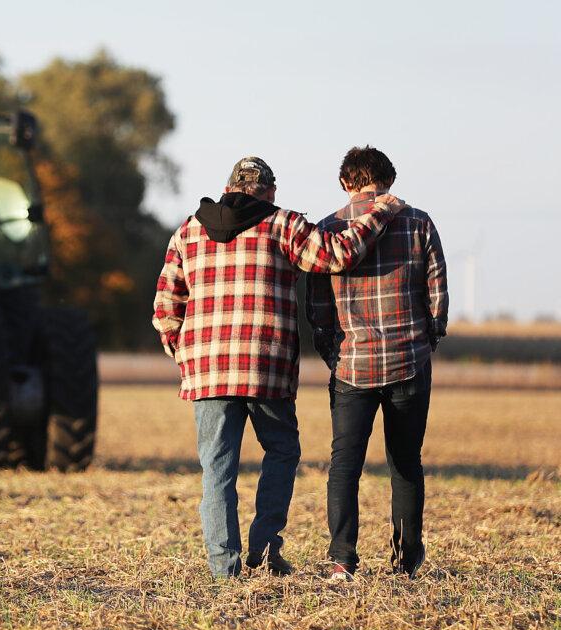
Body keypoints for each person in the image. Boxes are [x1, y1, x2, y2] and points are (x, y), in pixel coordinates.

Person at [152, 157, 406, 579]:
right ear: (268, 191)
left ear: (228, 188)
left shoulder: (188, 231)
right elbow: (337, 254)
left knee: (217, 469)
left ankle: (224, 567)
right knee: (283, 452)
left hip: (207, 374)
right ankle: (266, 549)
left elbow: (165, 309)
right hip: (266, 367)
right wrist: (381, 211)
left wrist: (186, 356)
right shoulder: (282, 224)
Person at [306, 146, 448, 582]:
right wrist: (426, 343)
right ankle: (406, 560)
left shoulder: (328, 229)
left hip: (351, 366)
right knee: (405, 461)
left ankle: (342, 559)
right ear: (389, 180)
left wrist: (335, 354)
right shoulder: (419, 221)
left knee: (344, 464)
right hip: (409, 362)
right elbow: (437, 297)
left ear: (346, 183)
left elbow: (317, 309)